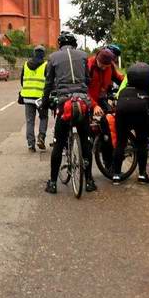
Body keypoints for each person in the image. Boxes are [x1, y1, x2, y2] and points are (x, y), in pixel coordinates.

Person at [41, 31, 96, 194]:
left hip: (64, 102)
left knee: (59, 143)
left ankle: (52, 183)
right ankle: (89, 182)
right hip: (82, 102)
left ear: (60, 44)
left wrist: (45, 102)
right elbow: (87, 79)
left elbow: (49, 83)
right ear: (75, 44)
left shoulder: (53, 58)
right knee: (86, 142)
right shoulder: (84, 56)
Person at [112, 62, 149, 184]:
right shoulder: (148, 93)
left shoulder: (123, 91)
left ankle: (116, 175)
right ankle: (142, 175)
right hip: (140, 114)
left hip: (122, 113)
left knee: (121, 142)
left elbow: (117, 104)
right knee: (141, 143)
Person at [19, 45, 49, 152]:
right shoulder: (46, 65)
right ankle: (41, 137)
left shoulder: (26, 65)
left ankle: (31, 145)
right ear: (43, 54)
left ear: (34, 53)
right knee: (44, 118)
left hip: (27, 97)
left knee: (30, 121)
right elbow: (49, 82)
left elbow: (22, 81)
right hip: (41, 98)